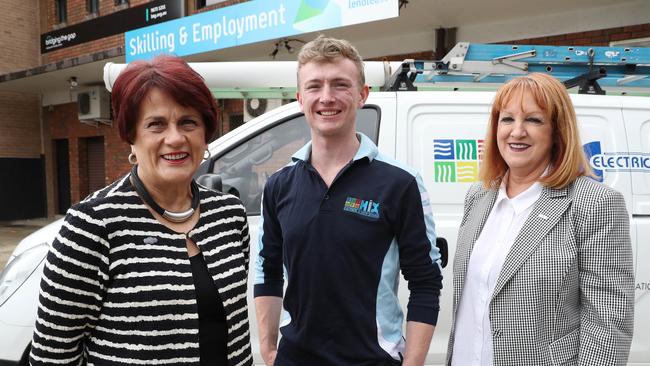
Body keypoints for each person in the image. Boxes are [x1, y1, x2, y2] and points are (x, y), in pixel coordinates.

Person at [29, 55, 253, 366]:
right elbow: (52, 357)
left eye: (188, 122)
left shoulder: (229, 215)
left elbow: (236, 334)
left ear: (205, 132)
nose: (175, 138)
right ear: (131, 137)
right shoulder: (93, 225)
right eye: (156, 124)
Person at [254, 35, 443, 366]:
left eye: (340, 84)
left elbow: (425, 283)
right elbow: (267, 272)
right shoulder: (280, 186)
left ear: (362, 94)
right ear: (300, 98)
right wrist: (270, 351)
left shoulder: (400, 184)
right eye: (315, 86)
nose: (326, 97)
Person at [447, 73, 634, 365]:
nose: (516, 132)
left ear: (558, 131)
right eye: (507, 119)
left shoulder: (595, 204)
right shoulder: (478, 196)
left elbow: (608, 321)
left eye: (533, 120)